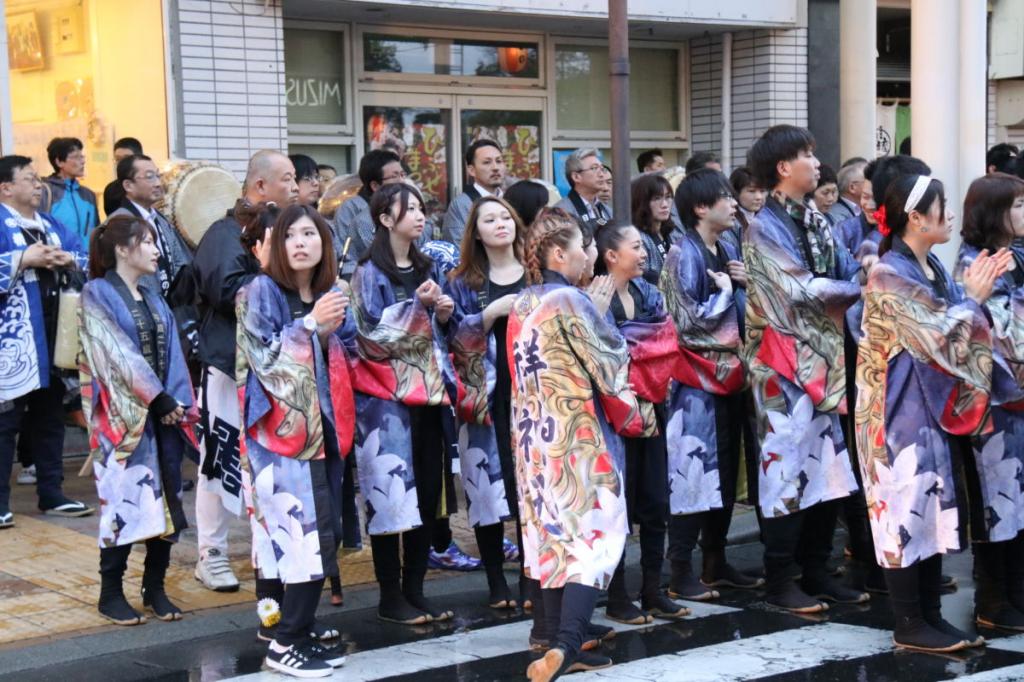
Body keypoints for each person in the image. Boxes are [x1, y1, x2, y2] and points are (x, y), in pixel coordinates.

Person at [857, 174, 1011, 651]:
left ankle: (930, 615)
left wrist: (968, 300)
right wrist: (973, 300)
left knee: (931, 505)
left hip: (926, 407)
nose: (948, 217)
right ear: (916, 217)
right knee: (904, 504)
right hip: (895, 410)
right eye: (940, 208)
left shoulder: (932, 268)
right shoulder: (889, 272)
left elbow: (950, 330)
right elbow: (935, 335)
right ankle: (908, 622)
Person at [512, 208, 654, 681]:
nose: (590, 254)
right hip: (577, 434)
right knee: (595, 535)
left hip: (532, 437)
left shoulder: (523, 301)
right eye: (584, 247)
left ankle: (553, 639)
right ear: (559, 253)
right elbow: (611, 362)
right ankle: (569, 644)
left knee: (550, 537)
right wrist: (600, 311)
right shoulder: (571, 300)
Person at [743, 125, 867, 612]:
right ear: (783, 168)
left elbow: (840, 268)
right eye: (808, 156)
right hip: (780, 370)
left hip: (825, 365)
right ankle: (781, 580)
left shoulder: (815, 218)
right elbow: (800, 289)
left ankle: (816, 569)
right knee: (786, 471)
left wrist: (861, 270)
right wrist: (861, 283)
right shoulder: (761, 227)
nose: (817, 164)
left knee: (827, 471)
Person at [235, 203, 352, 677]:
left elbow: (351, 350)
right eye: (289, 236)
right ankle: (284, 641)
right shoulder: (259, 290)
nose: (301, 243)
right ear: (274, 246)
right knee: (301, 535)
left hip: (324, 431)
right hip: (281, 440)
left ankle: (299, 630)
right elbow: (260, 360)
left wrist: (333, 329)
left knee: (323, 533)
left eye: (310, 234)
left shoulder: (326, 293)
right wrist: (309, 326)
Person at [78, 214, 198, 626]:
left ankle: (155, 587)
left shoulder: (152, 294)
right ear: (122, 249)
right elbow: (113, 354)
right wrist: (158, 397)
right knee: (124, 500)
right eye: (147, 242)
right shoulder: (95, 293)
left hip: (160, 416)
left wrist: (178, 401)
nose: (156, 250)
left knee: (166, 497)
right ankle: (110, 593)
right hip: (121, 419)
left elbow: (175, 355)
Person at [348, 182, 458, 624]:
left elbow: (444, 335)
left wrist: (445, 316)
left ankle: (416, 588)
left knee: (427, 491)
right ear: (384, 219)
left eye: (420, 208)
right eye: (408, 209)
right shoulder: (366, 274)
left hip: (428, 396)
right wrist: (418, 307)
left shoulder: (430, 265)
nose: (419, 216)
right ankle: (390, 595)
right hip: (384, 401)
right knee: (389, 492)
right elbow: (367, 339)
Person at [192, 150, 298, 593]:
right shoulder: (224, 233)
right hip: (227, 365)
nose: (296, 186)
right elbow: (225, 292)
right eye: (288, 179)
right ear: (260, 187)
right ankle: (210, 554)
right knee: (218, 459)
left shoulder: (284, 228)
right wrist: (269, 264)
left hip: (272, 365)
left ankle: (273, 544)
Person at [662, 169, 762, 601]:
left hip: (730, 377)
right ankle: (680, 567)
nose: (734, 203)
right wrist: (726, 293)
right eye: (725, 197)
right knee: (694, 471)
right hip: (694, 383)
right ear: (701, 208)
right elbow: (684, 323)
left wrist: (742, 285)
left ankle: (714, 560)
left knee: (722, 467)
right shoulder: (681, 253)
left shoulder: (725, 246)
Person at [594, 222, 689, 624]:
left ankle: (654, 589)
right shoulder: (592, 296)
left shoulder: (648, 291)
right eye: (636, 247)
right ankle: (617, 596)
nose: (644, 252)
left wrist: (630, 347)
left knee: (655, 503)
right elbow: (596, 347)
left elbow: (666, 341)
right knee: (618, 506)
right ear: (611, 255)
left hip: (650, 405)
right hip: (611, 414)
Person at [0, 155, 94, 528]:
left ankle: (52, 493)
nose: (38, 185)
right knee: (5, 424)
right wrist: (23, 258)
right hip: (13, 344)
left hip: (54, 341)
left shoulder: (49, 224)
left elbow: (86, 258)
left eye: (38, 179)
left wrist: (65, 258)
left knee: (50, 418)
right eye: (29, 179)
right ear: (6, 187)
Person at [445, 196, 527, 609]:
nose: (500, 224)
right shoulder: (462, 281)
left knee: (533, 486)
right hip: (484, 396)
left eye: (505, 216)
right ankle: (496, 582)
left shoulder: (536, 272)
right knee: (485, 489)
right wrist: (488, 315)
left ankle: (534, 578)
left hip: (534, 394)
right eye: (489, 219)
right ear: (475, 232)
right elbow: (453, 341)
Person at [956, 172, 1024, 632]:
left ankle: (1015, 592)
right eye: (1018, 204)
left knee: (1017, 502)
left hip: (1015, 401)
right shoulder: (978, 261)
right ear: (992, 212)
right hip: (995, 402)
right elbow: (1002, 334)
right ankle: (993, 598)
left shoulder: (1015, 256)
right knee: (997, 501)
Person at [108, 155, 197, 362]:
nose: (158, 183)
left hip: (166, 314)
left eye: (158, 175)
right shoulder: (119, 223)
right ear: (128, 185)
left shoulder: (159, 218)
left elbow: (180, 262)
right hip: (137, 319)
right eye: (149, 177)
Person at [333, 149, 424, 278]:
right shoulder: (363, 219)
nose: (402, 181)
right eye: (395, 176)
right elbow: (384, 259)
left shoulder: (408, 209)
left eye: (403, 174)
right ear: (375, 185)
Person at [441, 139, 507, 245]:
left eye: (499, 161)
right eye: (487, 162)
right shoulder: (462, 204)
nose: (495, 168)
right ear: (471, 170)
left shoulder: (510, 200)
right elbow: (457, 249)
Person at [41, 137, 99, 248]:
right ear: (59, 162)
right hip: (58, 261)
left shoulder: (88, 195)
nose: (83, 161)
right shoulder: (45, 192)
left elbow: (96, 230)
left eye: (82, 156)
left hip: (86, 261)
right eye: (76, 157)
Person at [630, 173, 682, 283]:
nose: (664, 204)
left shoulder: (670, 233)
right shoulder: (638, 238)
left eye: (668, 197)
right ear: (641, 202)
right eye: (657, 198)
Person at [554, 148, 611, 232]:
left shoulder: (606, 210)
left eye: (602, 169)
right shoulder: (561, 212)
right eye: (594, 168)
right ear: (576, 177)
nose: (602, 174)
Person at [102, 137, 144, 217]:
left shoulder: (150, 185)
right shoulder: (111, 190)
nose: (121, 163)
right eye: (118, 159)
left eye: (126, 158)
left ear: (139, 158)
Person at [829, 159, 866, 226]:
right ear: (852, 187)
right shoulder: (837, 214)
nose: (871, 185)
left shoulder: (861, 208)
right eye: (866, 181)